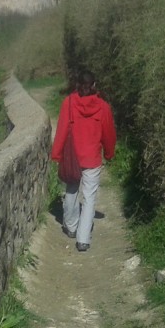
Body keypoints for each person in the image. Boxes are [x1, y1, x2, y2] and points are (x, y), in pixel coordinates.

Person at [51, 71, 116, 252]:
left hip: (72, 156)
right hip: (92, 159)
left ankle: (71, 226)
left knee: (71, 190)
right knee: (89, 198)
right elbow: (109, 133)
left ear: (77, 84)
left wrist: (57, 154)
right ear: (94, 85)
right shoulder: (103, 107)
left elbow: (62, 130)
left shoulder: (69, 103)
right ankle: (83, 239)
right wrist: (109, 153)